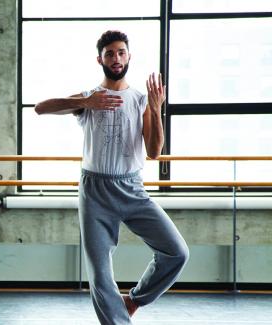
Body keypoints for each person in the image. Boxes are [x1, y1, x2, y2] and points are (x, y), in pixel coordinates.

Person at [35, 30, 189, 324]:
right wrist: (86, 102)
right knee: (100, 275)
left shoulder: (140, 100)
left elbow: (154, 152)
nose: (116, 58)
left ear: (129, 56)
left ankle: (134, 300)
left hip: (132, 190)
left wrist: (156, 110)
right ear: (100, 59)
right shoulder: (89, 98)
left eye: (120, 52)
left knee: (176, 252)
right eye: (109, 54)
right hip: (95, 192)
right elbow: (41, 108)